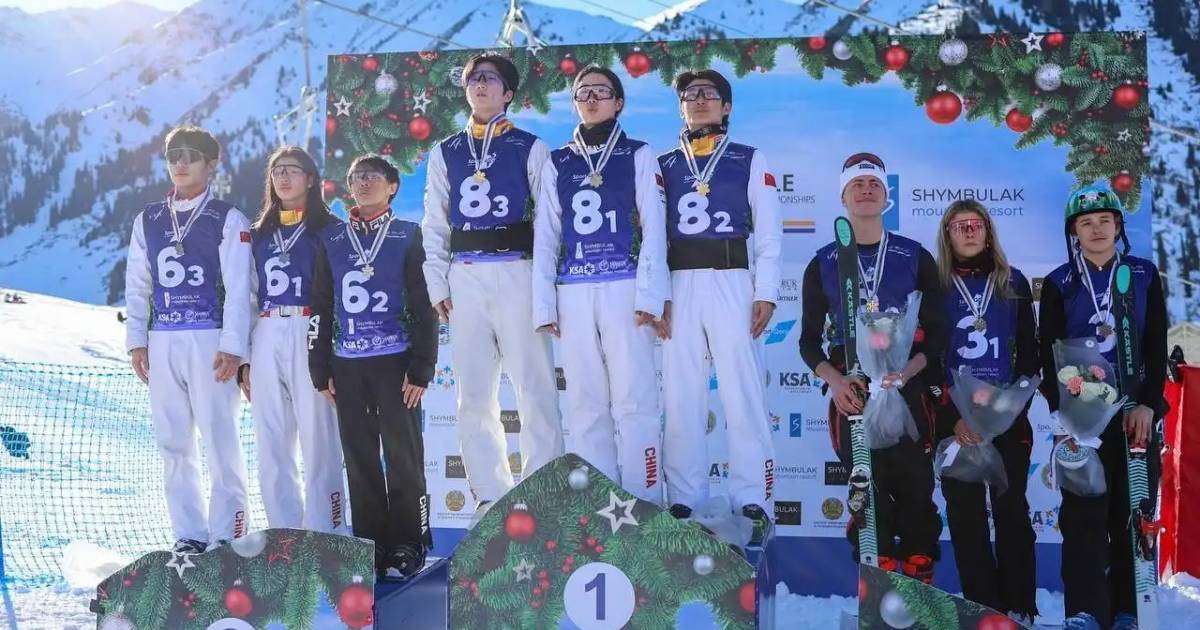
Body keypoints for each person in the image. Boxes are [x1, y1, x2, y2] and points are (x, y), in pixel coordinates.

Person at [422, 53, 563, 519]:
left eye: (490, 79)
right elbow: (435, 221)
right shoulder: (445, 151)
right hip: (465, 275)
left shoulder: (530, 146)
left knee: (535, 386)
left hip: (517, 269)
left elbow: (549, 223)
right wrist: (437, 281)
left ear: (507, 92)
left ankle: (542, 491)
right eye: (473, 79)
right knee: (474, 393)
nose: (480, 85)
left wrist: (544, 291)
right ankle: (490, 497)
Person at [798, 152, 945, 582]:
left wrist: (909, 372)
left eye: (874, 185)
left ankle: (920, 578)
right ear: (843, 197)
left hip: (906, 383)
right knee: (866, 487)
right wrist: (837, 381)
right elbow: (808, 344)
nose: (866, 191)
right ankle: (874, 579)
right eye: (857, 185)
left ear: (887, 198)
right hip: (852, 386)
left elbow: (937, 336)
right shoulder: (822, 261)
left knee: (918, 486)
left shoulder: (914, 256)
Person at [532, 65, 669, 503]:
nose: (591, 99)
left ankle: (643, 500)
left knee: (635, 399)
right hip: (573, 289)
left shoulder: (639, 154)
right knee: (586, 403)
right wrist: (544, 304)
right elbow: (547, 233)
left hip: (625, 287)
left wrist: (651, 295)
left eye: (601, 92)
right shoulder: (558, 161)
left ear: (618, 102)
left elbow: (654, 225)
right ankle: (598, 505)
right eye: (582, 93)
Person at [655, 69, 781, 543]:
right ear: (681, 108)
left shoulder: (749, 158)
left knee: (742, 392)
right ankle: (685, 497)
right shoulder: (663, 163)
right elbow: (650, 236)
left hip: (733, 280)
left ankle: (754, 498)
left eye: (710, 94)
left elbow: (768, 232)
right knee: (681, 394)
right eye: (690, 95)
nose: (700, 100)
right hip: (678, 282)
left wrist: (766, 291)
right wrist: (655, 297)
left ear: (726, 106)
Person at [1039, 183, 1167, 630]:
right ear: (1074, 230)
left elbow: (1155, 346)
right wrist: (1068, 418)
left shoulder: (1145, 273)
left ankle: (1129, 608)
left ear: (1118, 226)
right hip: (1082, 422)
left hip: (1136, 419)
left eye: (1104, 221)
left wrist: (1149, 407)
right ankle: (1085, 611)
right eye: (1086, 223)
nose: (1096, 229)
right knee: (1082, 519)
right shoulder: (1059, 283)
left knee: (1131, 516)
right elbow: (1047, 353)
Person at [123, 125, 252, 554]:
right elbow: (138, 283)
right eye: (173, 154)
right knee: (174, 442)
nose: (181, 163)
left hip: (210, 338)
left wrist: (234, 345)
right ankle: (189, 533)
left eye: (191, 155)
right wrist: (136, 340)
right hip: (164, 339)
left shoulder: (227, 218)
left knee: (219, 437)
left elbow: (240, 287)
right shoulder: (149, 219)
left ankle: (228, 533)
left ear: (211, 164)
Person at [309, 154, 437, 579]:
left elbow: (423, 303)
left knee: (402, 455)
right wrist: (319, 364)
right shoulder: (333, 238)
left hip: (395, 361)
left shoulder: (407, 234)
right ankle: (371, 544)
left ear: (392, 186)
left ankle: (408, 543)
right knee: (359, 456)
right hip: (347, 364)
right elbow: (322, 304)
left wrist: (422, 366)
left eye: (373, 177)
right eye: (356, 177)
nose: (363, 183)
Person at [933, 200, 1037, 622]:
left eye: (976, 224)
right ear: (947, 235)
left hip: (1008, 419)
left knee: (1012, 512)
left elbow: (1030, 354)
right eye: (959, 226)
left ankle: (1020, 606)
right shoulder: (936, 286)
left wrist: (1010, 408)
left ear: (989, 231)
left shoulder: (1013, 282)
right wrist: (950, 417)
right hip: (956, 422)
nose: (969, 231)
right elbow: (928, 356)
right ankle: (982, 607)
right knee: (964, 516)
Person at [240, 146, 347, 535]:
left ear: (311, 178)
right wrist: (245, 358)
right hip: (268, 328)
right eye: (277, 172)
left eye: (292, 171)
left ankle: (327, 530)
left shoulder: (331, 229)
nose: (283, 178)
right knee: (271, 438)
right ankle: (283, 532)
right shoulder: (260, 233)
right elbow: (247, 295)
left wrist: (334, 352)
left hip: (310, 327)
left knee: (318, 434)